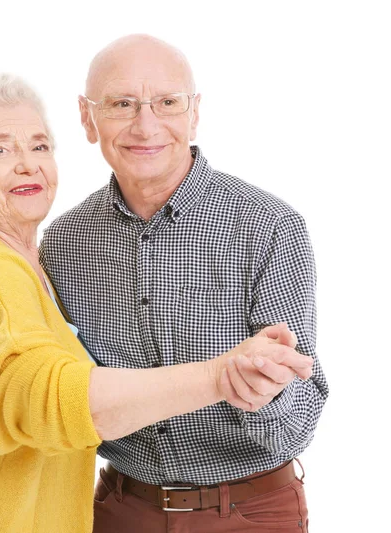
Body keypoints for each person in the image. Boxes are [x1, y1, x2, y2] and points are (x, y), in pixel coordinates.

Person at [0, 73, 312, 533]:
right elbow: (60, 402)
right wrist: (219, 375)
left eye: (39, 146)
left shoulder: (12, 259)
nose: (27, 165)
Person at [40, 35, 329, 532]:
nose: (145, 125)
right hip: (117, 510)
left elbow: (297, 420)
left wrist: (263, 390)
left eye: (167, 103)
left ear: (194, 113)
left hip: (250, 512)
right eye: (121, 104)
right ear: (88, 118)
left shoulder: (270, 227)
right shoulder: (63, 242)